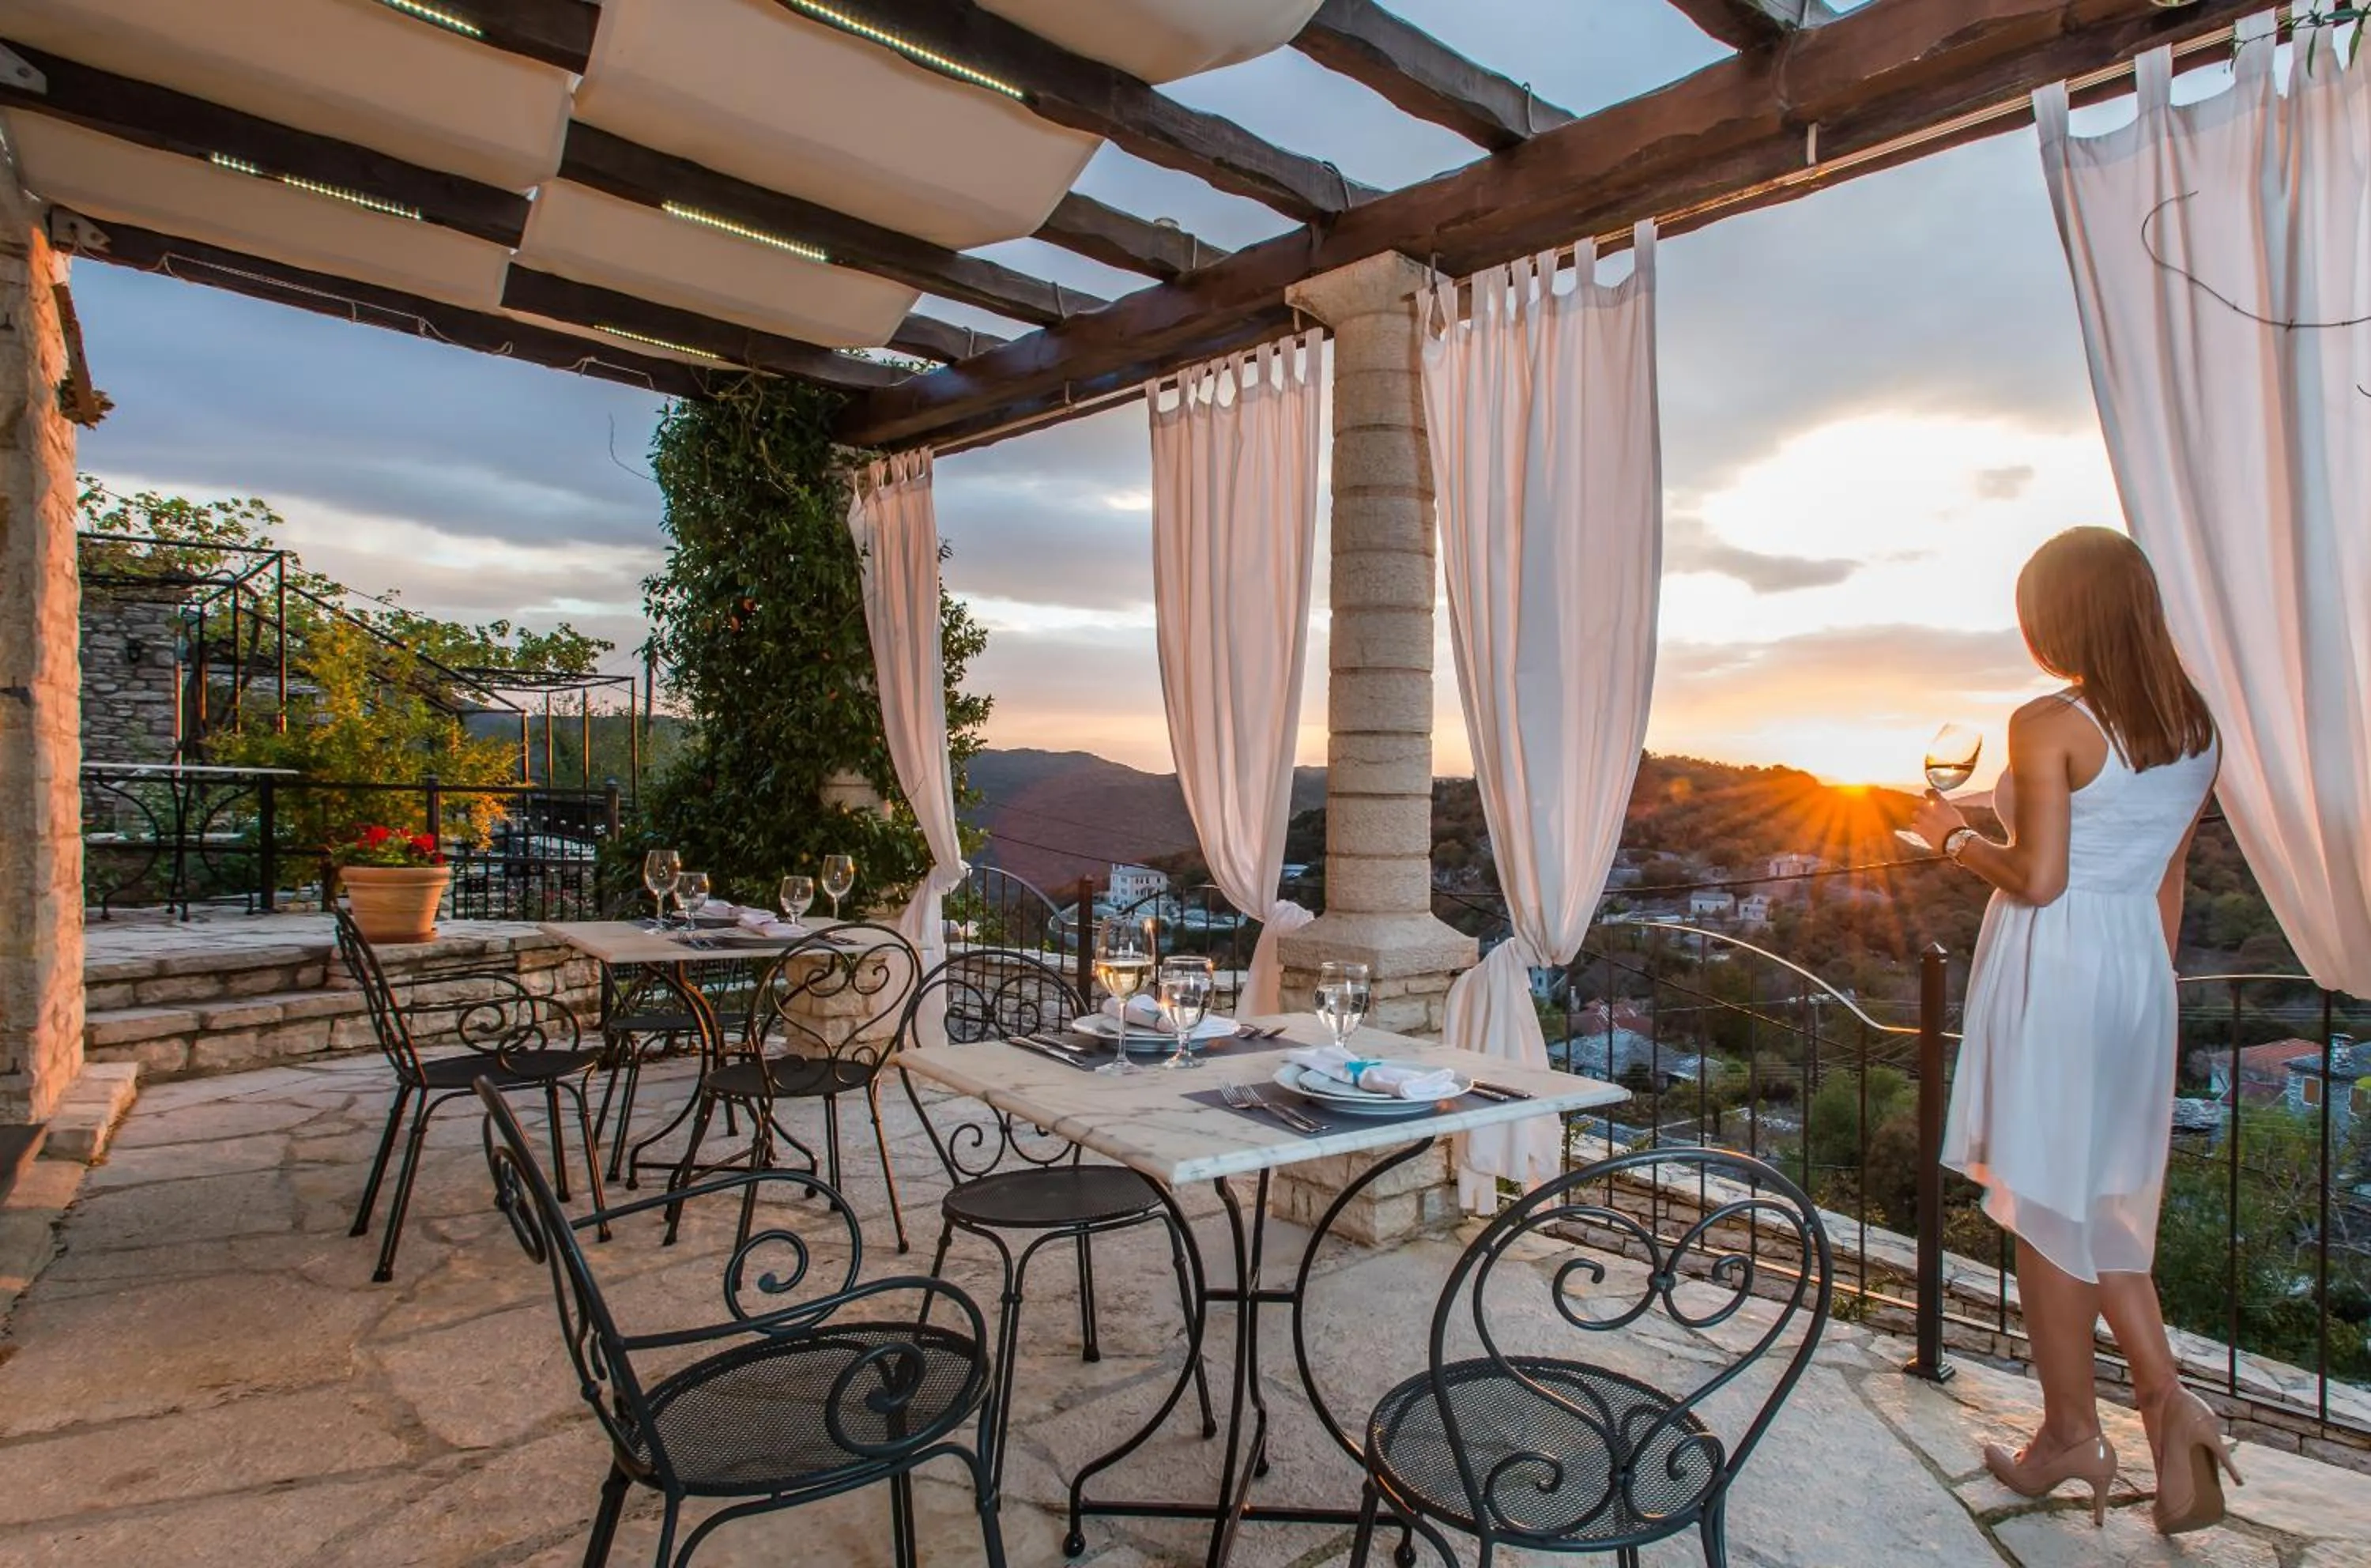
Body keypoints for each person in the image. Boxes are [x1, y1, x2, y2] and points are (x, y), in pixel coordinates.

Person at [1911, 526, 2241, 1536]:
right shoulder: (2195, 726)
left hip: (2055, 968)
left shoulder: (2049, 720)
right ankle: (2170, 1408)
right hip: (2136, 969)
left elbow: (2039, 877)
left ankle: (2069, 1434)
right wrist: (2149, 987)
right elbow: (2165, 873)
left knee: (2048, 1204)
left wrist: (1952, 838)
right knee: (2096, 1205)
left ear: (2060, 616)